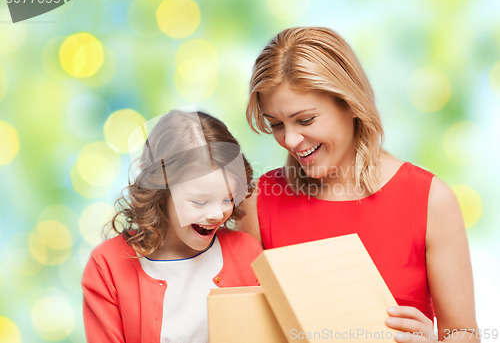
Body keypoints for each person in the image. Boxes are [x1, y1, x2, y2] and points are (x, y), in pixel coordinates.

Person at [240, 27, 478, 342]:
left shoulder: (430, 200)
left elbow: (464, 333)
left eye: (306, 120)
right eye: (276, 125)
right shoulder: (258, 203)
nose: (291, 140)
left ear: (350, 104)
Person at [82, 110, 263, 343]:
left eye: (228, 198)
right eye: (200, 201)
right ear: (161, 193)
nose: (218, 214)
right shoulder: (107, 265)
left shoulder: (247, 254)